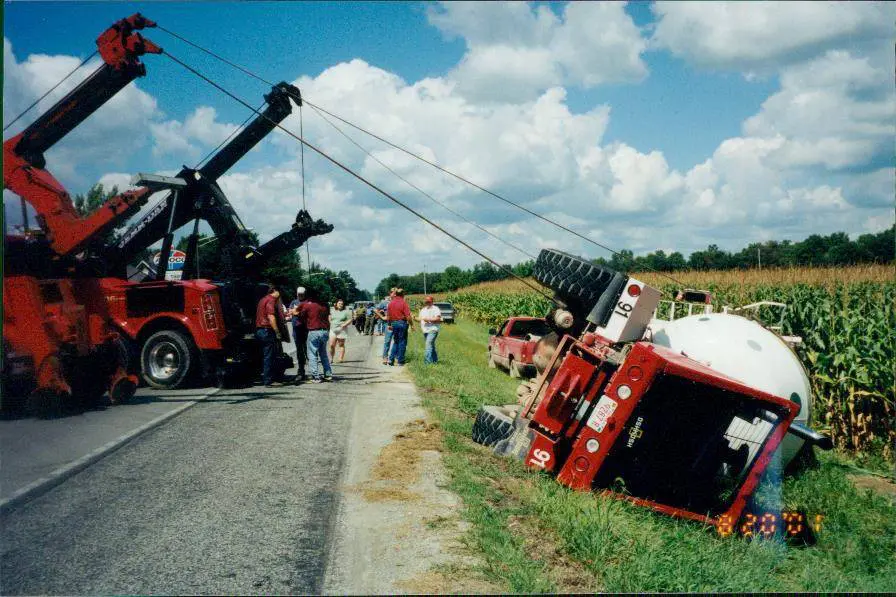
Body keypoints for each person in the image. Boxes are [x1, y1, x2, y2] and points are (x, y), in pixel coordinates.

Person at [297, 287, 332, 383]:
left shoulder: (308, 305)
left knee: (312, 355)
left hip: (314, 331)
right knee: (323, 354)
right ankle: (328, 374)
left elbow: (300, 315)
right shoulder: (325, 305)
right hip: (325, 331)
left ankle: (316, 377)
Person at [255, 282, 285, 387]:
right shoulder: (271, 300)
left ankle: (266, 378)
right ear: (275, 291)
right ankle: (268, 381)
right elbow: (271, 317)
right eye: (279, 292)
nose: (280, 295)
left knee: (265, 355)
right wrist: (277, 332)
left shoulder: (262, 299)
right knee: (270, 356)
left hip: (259, 330)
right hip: (267, 330)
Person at [386, 288, 413, 366]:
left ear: (396, 294)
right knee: (402, 342)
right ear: (403, 294)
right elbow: (408, 316)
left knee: (396, 341)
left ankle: (391, 359)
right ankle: (400, 360)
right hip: (402, 323)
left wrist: (389, 325)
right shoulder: (403, 303)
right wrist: (412, 325)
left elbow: (388, 316)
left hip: (394, 323)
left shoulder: (391, 303)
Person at [288, 286, 308, 382]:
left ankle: (313, 371)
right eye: (299, 294)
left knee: (307, 350)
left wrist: (296, 312)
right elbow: (290, 312)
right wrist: (294, 312)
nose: (300, 295)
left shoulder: (307, 302)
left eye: (302, 294)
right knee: (299, 350)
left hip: (306, 329)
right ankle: (301, 370)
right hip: (296, 329)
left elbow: (299, 313)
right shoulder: (294, 302)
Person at [418, 295, 443, 364]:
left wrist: (428, 319)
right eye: (426, 301)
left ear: (432, 301)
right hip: (425, 330)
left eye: (428, 301)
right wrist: (414, 318)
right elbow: (420, 318)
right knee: (431, 345)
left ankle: (427, 362)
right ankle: (435, 360)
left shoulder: (435, 309)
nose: (427, 302)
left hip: (433, 329)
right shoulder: (423, 310)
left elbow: (438, 318)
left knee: (428, 344)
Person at [328, 298, 353, 363]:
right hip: (333, 329)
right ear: (336, 304)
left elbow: (350, 319)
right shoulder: (332, 310)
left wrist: (344, 324)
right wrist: (330, 322)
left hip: (342, 330)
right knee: (331, 345)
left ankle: (340, 358)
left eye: (342, 304)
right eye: (339, 303)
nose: (340, 305)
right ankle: (331, 358)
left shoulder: (346, 311)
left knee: (341, 344)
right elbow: (329, 317)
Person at [377, 288, 396, 363]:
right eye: (393, 293)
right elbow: (376, 309)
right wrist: (382, 317)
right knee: (387, 341)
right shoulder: (384, 302)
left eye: (395, 293)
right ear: (390, 293)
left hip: (397, 323)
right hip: (388, 324)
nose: (394, 294)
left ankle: (395, 356)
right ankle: (385, 357)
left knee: (397, 341)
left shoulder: (399, 301)